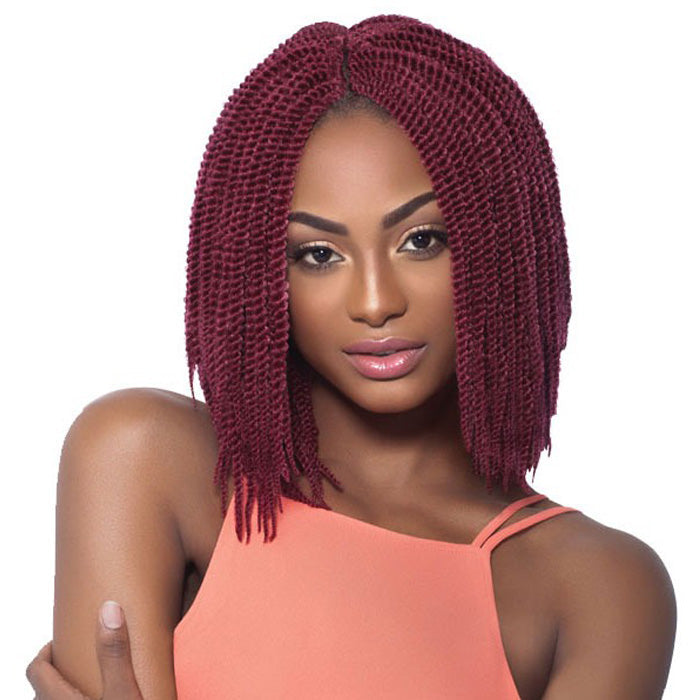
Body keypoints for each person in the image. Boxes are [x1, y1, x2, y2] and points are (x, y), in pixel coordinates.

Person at [26, 14, 676, 700]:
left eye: (422, 240)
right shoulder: (146, 459)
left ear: (503, 239)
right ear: (258, 273)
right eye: (318, 254)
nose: (374, 302)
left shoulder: (599, 589)